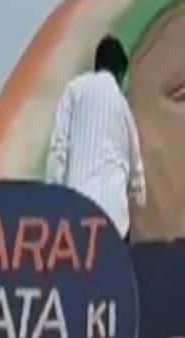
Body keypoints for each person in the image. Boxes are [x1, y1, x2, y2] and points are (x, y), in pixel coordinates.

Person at [45, 35, 146, 242]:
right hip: (116, 222)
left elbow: (58, 149)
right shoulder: (123, 107)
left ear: (97, 64)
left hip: (77, 216)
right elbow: (137, 172)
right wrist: (138, 198)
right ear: (120, 74)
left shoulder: (74, 90)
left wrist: (52, 199)